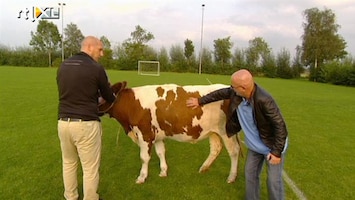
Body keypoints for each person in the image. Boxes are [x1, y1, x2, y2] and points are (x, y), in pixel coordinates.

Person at [186, 69, 288, 200]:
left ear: (243, 87)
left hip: (271, 146)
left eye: (234, 87)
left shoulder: (264, 100)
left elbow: (280, 126)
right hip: (255, 147)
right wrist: (200, 101)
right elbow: (220, 93)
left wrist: (276, 152)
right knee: (250, 176)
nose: (231, 89)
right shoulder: (237, 93)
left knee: (273, 182)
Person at [56, 36, 116, 200]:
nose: (102, 54)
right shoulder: (96, 68)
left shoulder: (63, 65)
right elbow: (109, 97)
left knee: (68, 163)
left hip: (63, 123)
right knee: (90, 168)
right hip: (86, 124)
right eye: (100, 49)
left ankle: (71, 197)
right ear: (89, 47)